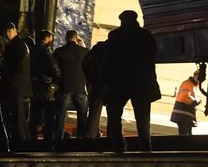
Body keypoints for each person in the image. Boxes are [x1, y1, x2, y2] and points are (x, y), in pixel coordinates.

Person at [105, 10, 161, 152]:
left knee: (115, 113)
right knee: (143, 116)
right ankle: (145, 144)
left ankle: (118, 143)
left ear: (122, 20)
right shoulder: (145, 35)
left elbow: (109, 60)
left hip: (119, 81)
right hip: (141, 82)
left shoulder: (115, 35)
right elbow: (152, 55)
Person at [0, 22, 32, 148]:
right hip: (20, 88)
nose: (7, 34)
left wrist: (9, 85)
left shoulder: (15, 47)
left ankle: (21, 144)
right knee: (20, 119)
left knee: (17, 119)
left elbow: (13, 69)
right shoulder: (20, 45)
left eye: (9, 31)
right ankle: (25, 144)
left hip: (15, 88)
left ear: (14, 30)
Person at [53, 30, 89, 143]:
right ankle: (81, 141)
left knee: (60, 116)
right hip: (80, 88)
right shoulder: (85, 51)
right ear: (76, 38)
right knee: (82, 117)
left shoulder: (59, 51)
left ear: (66, 38)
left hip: (64, 88)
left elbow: (53, 68)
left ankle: (57, 141)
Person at [28, 30, 61, 147]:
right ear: (47, 38)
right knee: (49, 115)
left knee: (35, 114)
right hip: (46, 86)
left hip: (34, 85)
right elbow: (54, 69)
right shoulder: (45, 51)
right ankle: (48, 142)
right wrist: (58, 77)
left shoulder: (32, 49)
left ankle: (32, 140)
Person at [82, 40, 109, 139]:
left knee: (94, 112)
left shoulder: (98, 48)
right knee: (114, 114)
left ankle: (90, 136)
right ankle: (112, 140)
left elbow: (85, 64)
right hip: (112, 85)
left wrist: (92, 78)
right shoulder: (117, 48)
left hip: (98, 85)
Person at [170, 70, 201, 135]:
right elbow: (185, 96)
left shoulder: (192, 85)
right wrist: (195, 102)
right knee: (185, 135)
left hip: (184, 115)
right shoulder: (189, 84)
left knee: (186, 134)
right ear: (196, 76)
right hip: (183, 115)